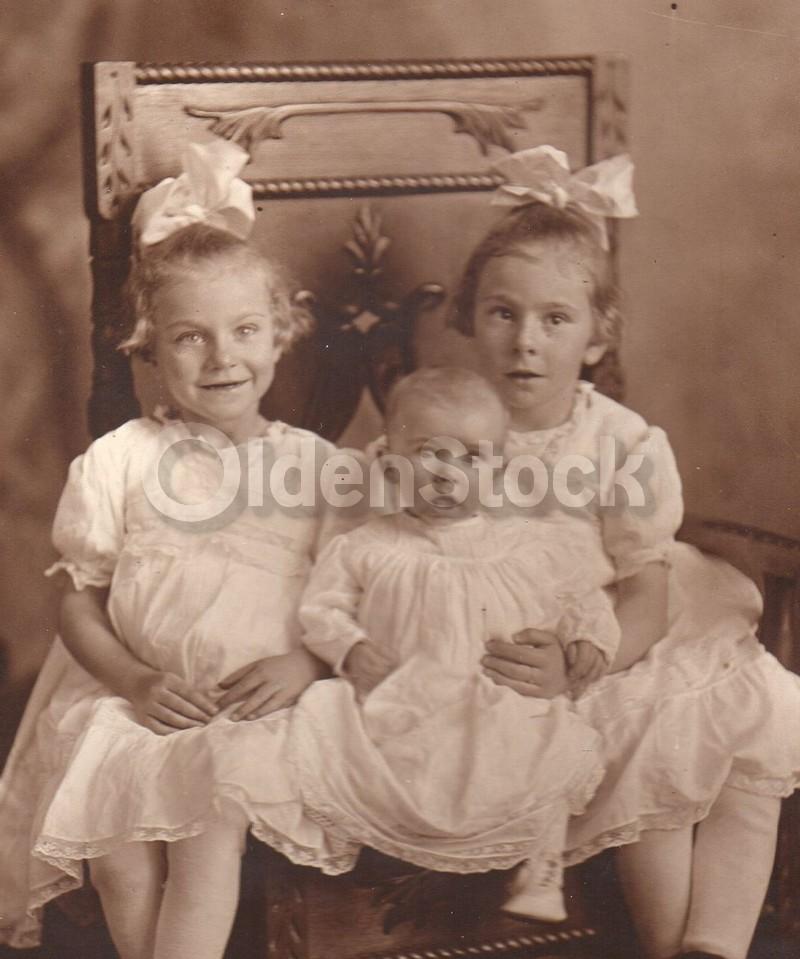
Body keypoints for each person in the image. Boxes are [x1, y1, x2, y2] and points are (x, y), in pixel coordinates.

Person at [0, 139, 357, 959]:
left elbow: (353, 594)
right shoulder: (121, 460)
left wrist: (305, 662)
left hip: (255, 708)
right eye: (191, 337)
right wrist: (135, 679)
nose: (223, 356)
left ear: (280, 336)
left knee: (208, 823)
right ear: (149, 350)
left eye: (245, 330)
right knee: (119, 851)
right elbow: (79, 602)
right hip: (143, 699)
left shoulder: (321, 469)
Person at [453, 145, 800, 959]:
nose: (526, 341)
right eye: (502, 314)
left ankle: (714, 944)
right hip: (516, 654)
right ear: (467, 318)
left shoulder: (623, 441)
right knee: (661, 745)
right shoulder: (445, 430)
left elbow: (648, 590)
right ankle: (669, 945)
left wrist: (595, 658)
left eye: (555, 319)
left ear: (597, 337)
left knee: (749, 714)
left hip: (625, 633)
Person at [290, 365, 615, 923]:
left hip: (499, 695)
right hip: (409, 695)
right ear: (388, 462)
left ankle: (542, 869)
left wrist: (590, 640)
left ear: (500, 468)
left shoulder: (529, 545)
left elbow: (583, 599)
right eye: (427, 453)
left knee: (551, 744)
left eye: (472, 457)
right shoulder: (366, 546)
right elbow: (320, 610)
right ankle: (407, 859)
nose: (448, 473)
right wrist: (349, 648)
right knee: (394, 760)